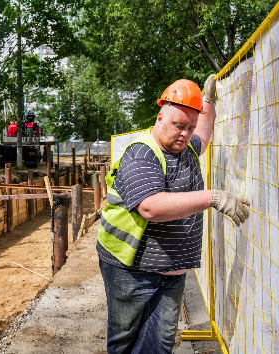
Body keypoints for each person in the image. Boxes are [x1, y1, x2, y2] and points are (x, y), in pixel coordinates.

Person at [96, 76, 250, 354]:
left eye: (188, 128)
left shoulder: (186, 147)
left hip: (172, 272)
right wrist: (212, 197)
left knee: (160, 344)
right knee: (124, 340)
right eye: (179, 125)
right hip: (130, 269)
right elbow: (150, 207)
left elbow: (203, 132)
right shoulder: (143, 154)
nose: (185, 134)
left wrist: (209, 102)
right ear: (160, 117)